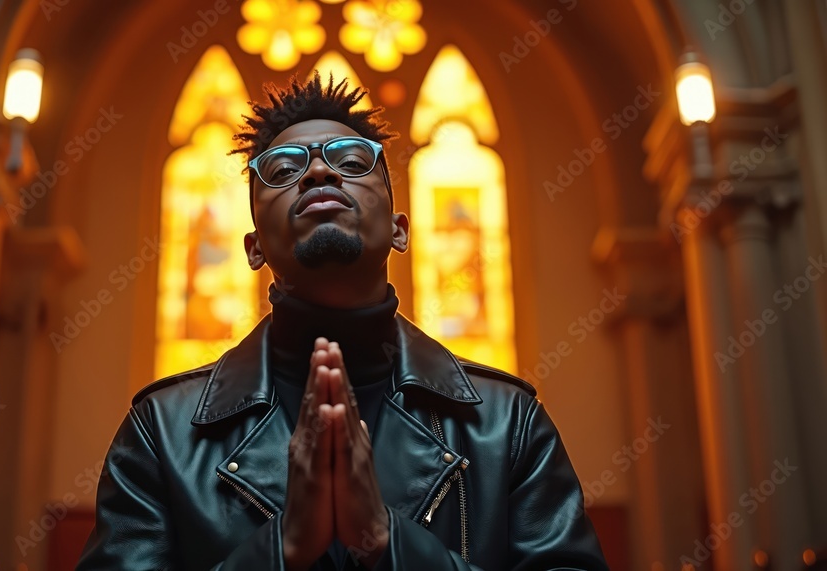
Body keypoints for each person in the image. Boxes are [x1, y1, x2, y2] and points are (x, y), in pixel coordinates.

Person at [76, 72, 608, 570]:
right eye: (284, 170)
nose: (319, 171)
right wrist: (281, 550)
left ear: (400, 229)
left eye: (352, 160)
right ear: (254, 247)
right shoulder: (161, 433)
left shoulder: (507, 424)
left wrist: (385, 539)